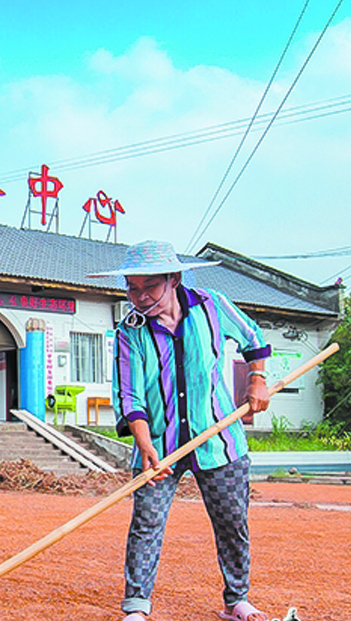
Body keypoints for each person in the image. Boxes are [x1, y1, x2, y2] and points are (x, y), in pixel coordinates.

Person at [89, 240, 271, 621]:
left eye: (149, 287)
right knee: (147, 523)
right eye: (132, 288)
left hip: (219, 441)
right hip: (158, 446)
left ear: (174, 279)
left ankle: (237, 599)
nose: (140, 297)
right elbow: (129, 394)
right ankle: (137, 607)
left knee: (232, 522)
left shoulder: (212, 306)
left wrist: (257, 380)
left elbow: (253, 338)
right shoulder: (130, 332)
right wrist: (143, 443)